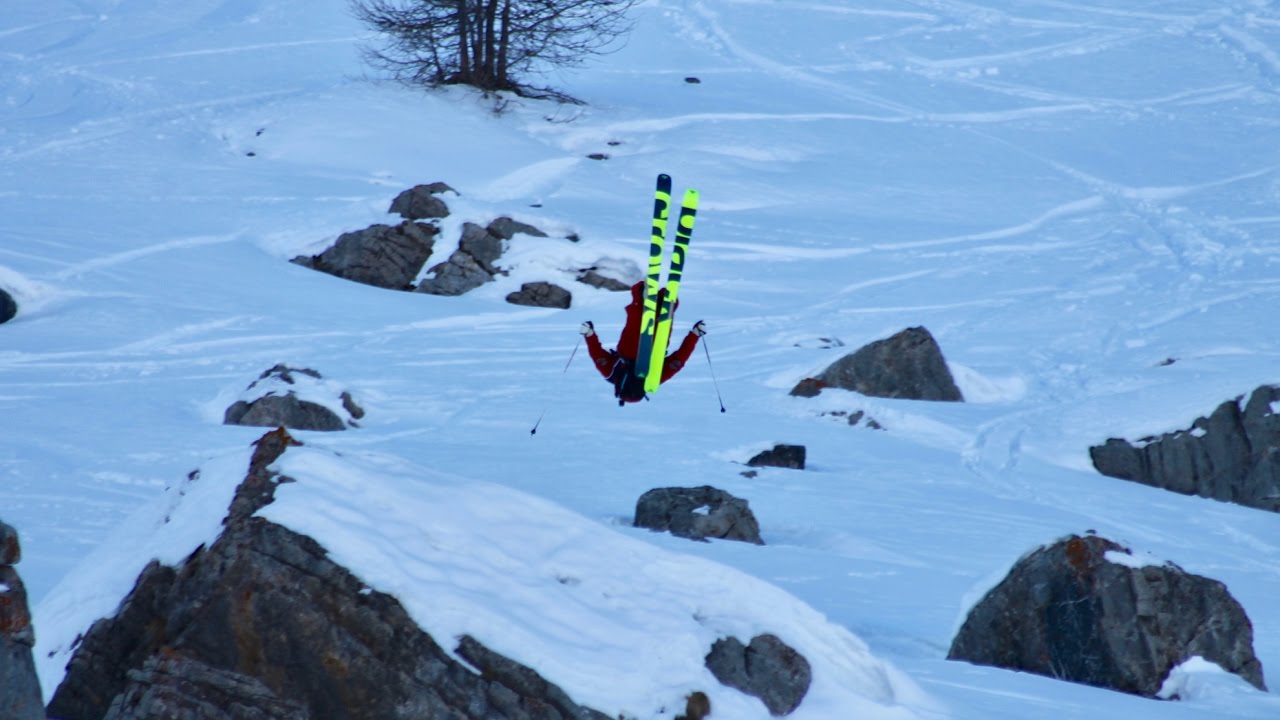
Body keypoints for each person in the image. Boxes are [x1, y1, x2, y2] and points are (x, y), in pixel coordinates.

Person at [581, 281, 706, 404]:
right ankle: (643, 294)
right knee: (638, 315)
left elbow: (679, 360)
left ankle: (662, 299)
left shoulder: (654, 379)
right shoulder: (612, 375)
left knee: (664, 313)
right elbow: (596, 353)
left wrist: (695, 335)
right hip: (629, 346)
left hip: (657, 344)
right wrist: (589, 334)